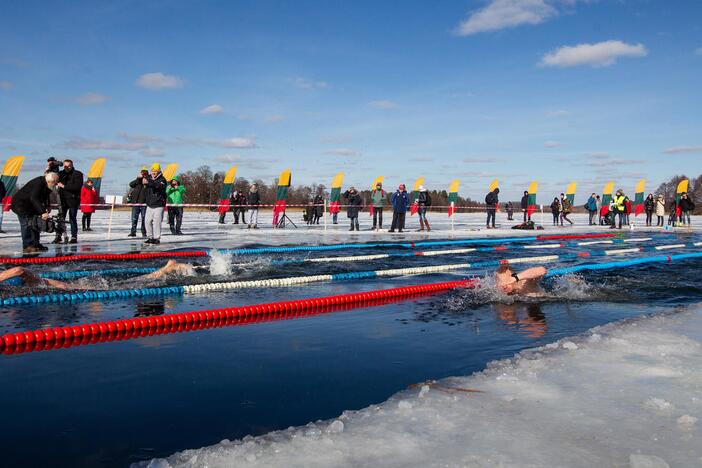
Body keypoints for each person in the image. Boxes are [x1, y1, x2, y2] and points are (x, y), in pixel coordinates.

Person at [0, 259, 193, 289]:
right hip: (77, 287)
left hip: (77, 289)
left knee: (133, 284)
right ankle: (167, 268)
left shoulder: (27, 278)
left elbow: (19, 270)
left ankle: (168, 268)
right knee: (133, 282)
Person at [10, 172, 57, 253]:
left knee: (35, 224)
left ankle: (35, 244)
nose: (55, 184)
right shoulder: (38, 183)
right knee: (26, 225)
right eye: (54, 183)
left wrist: (47, 205)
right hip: (21, 205)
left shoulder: (47, 184)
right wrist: (42, 212)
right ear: (49, 181)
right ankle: (27, 245)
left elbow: (46, 195)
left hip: (31, 206)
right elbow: (34, 198)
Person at [54, 159, 83, 244]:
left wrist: (64, 186)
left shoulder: (77, 174)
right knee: (60, 219)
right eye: (65, 166)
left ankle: (74, 237)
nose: (67, 167)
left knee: (72, 218)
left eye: (69, 166)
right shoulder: (61, 174)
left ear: (72, 165)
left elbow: (77, 187)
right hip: (62, 200)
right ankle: (58, 236)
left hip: (73, 200)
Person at [143, 163, 168, 244]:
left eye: (155, 171)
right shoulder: (148, 178)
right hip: (150, 204)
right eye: (152, 171)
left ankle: (156, 238)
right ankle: (150, 237)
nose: (153, 172)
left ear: (159, 171)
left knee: (157, 222)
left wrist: (149, 182)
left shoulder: (162, 179)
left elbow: (158, 186)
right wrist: (139, 179)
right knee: (147, 221)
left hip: (159, 204)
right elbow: (134, 184)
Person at [128, 167, 149, 237]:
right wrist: (138, 179)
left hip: (144, 203)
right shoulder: (137, 181)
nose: (143, 175)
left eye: (145, 173)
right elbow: (131, 184)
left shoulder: (148, 181)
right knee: (134, 218)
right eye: (142, 173)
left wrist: (147, 181)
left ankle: (144, 232)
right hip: (136, 203)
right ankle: (133, 232)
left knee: (144, 219)